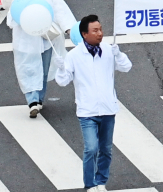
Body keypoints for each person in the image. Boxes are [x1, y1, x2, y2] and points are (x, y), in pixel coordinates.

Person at [55, 14, 133, 192]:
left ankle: (101, 182)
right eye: (95, 30)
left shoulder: (108, 50)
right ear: (84, 34)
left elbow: (126, 67)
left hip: (107, 109)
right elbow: (63, 81)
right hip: (87, 111)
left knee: (106, 149)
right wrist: (60, 68)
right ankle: (90, 185)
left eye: (100, 29)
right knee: (91, 149)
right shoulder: (74, 55)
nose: (100, 33)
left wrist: (118, 54)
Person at [7, 0, 77, 118]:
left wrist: (68, 28)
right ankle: (32, 101)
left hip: (47, 39)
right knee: (29, 68)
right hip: (28, 40)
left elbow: (60, 10)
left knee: (44, 70)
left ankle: (39, 99)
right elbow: (12, 17)